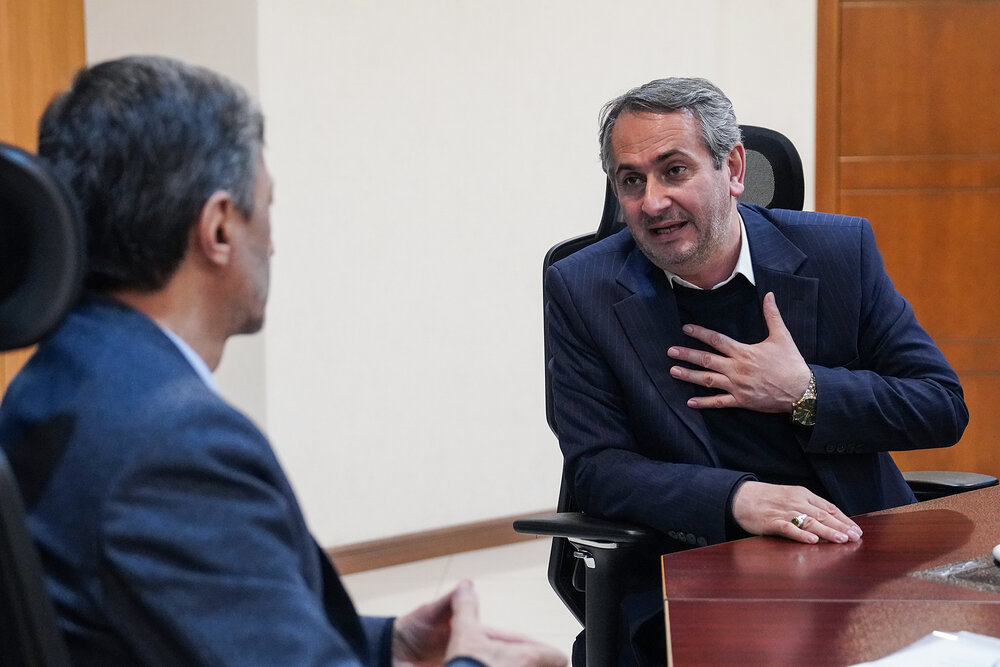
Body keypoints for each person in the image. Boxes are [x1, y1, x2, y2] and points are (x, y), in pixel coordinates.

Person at [0, 55, 566, 667]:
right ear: (219, 228)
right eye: (267, 207)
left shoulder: (57, 376)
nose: (272, 242)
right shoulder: (172, 448)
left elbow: (204, 621)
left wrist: (388, 645)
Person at [545, 77, 968, 663]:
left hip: (855, 547)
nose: (653, 202)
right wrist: (736, 498)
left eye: (674, 171)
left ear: (734, 169)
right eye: (631, 180)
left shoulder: (839, 252)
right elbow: (596, 468)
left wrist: (804, 392)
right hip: (693, 564)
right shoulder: (583, 288)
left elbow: (940, 406)